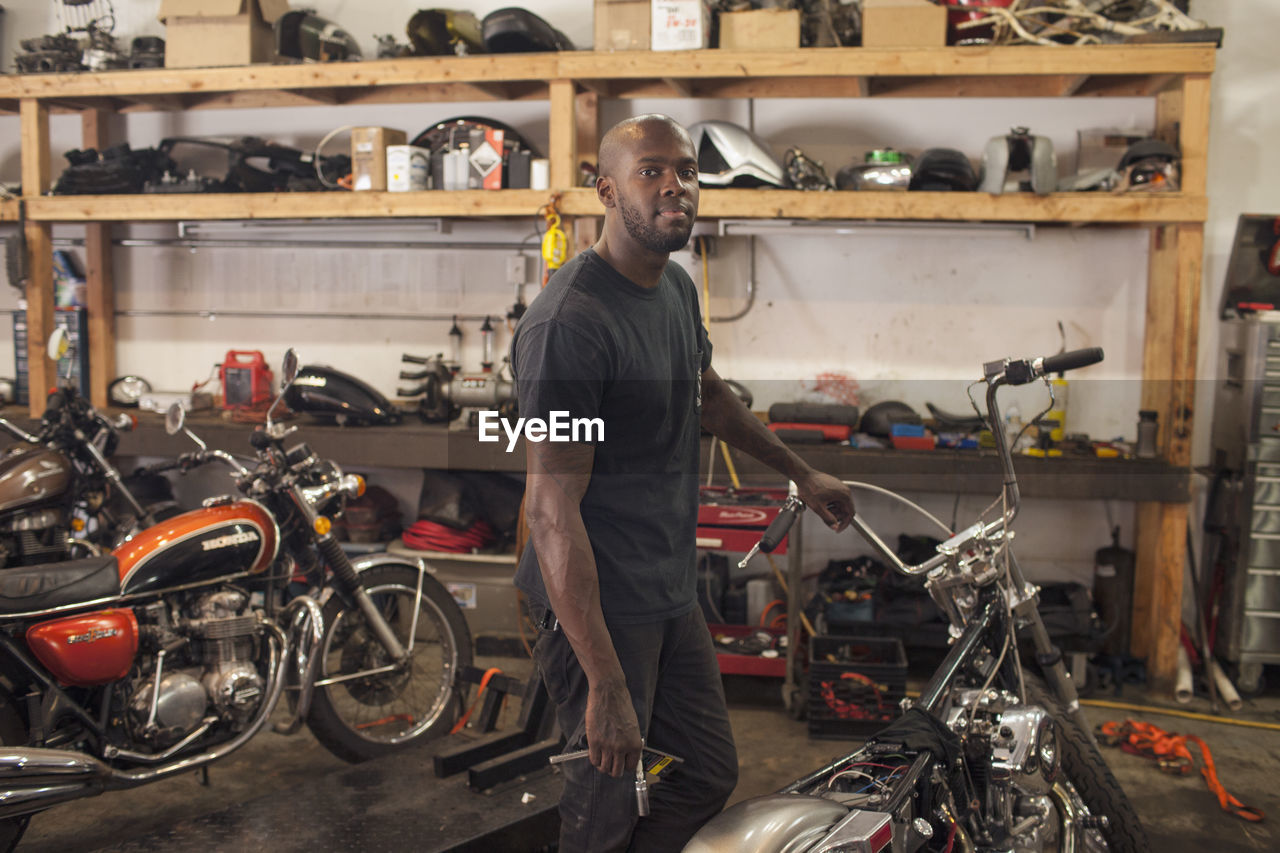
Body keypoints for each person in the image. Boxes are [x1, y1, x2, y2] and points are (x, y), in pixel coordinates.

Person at [511, 114, 855, 852]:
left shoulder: (671, 287)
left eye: (687, 171)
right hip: (599, 607)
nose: (676, 185)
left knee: (701, 775)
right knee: (604, 805)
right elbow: (550, 511)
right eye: (651, 171)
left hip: (668, 590)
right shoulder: (570, 323)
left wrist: (801, 470)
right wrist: (603, 682)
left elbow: (709, 395)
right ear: (606, 189)